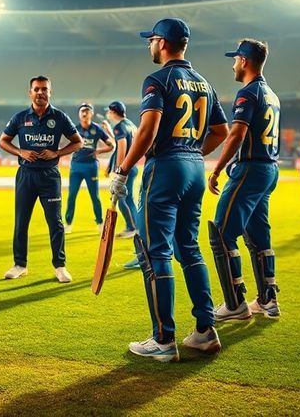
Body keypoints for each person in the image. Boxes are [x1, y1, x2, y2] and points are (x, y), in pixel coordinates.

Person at [110, 18, 229, 362]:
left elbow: (146, 132)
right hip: (193, 166)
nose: (149, 46)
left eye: (151, 41)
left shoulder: (157, 79)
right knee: (189, 248)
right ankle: (205, 331)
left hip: (166, 168)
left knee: (156, 253)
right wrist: (192, 152)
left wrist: (122, 169)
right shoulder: (205, 83)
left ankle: (163, 339)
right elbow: (220, 131)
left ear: (162, 43)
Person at [207, 39, 282, 322]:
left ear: (245, 61)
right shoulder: (272, 94)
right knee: (259, 236)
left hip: (249, 170)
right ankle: (267, 299)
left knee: (222, 234)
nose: (233, 64)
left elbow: (236, 134)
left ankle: (235, 304)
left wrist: (216, 169)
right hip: (268, 170)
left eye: (235, 59)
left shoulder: (247, 93)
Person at [0, 76, 83, 283]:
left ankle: (60, 266)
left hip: (49, 176)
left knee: (55, 223)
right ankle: (20, 265)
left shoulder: (60, 117)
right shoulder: (20, 118)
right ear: (30, 92)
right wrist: (21, 152)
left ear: (50, 92)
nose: (40, 92)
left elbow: (78, 142)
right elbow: (3, 141)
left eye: (44, 89)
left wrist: (58, 153)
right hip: (26, 175)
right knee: (21, 222)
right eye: (36, 89)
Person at [64, 103, 113, 234]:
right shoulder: (74, 129)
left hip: (91, 167)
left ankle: (100, 223)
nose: (84, 113)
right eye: (82, 111)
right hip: (75, 167)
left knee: (94, 196)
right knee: (71, 196)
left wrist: (99, 151)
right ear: (79, 114)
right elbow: (68, 144)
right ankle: (68, 224)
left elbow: (111, 145)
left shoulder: (97, 129)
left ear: (91, 113)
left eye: (87, 111)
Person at [102, 101, 139, 241]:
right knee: (129, 198)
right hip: (133, 166)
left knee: (122, 198)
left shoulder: (119, 127)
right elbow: (122, 142)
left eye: (109, 111)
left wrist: (119, 171)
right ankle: (135, 227)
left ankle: (131, 227)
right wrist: (108, 132)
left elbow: (122, 147)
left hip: (126, 168)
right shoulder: (130, 125)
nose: (107, 114)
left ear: (113, 112)